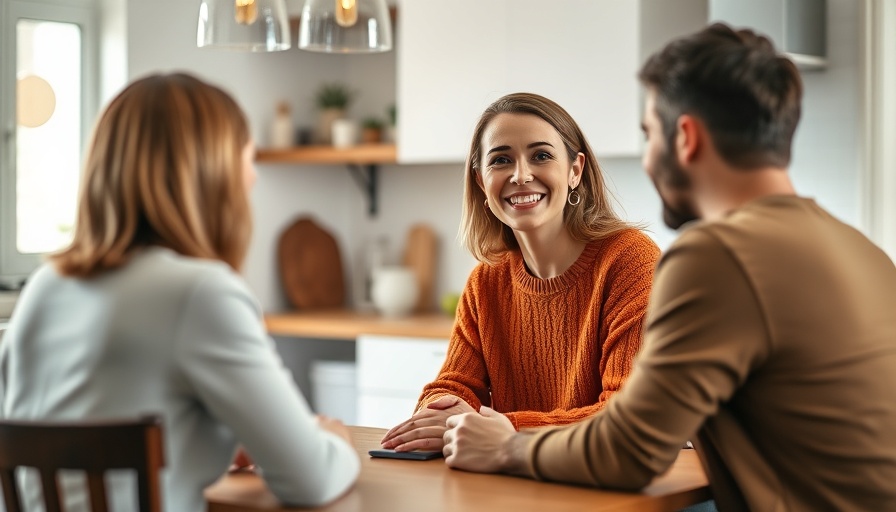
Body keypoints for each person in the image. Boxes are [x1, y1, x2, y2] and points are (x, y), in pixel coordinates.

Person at [440, 23, 896, 511]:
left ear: (686, 137)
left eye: (649, 134)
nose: (648, 159)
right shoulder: (863, 251)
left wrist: (506, 443)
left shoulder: (717, 257)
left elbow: (631, 450)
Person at [0, 73, 360, 511]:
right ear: (213, 175)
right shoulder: (201, 294)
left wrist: (215, 441)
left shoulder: (46, 287)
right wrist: (333, 440)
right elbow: (312, 478)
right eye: (247, 160)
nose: (252, 178)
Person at [381, 93, 660, 452]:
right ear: (482, 182)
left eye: (541, 155)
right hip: (518, 476)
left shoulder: (630, 261)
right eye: (501, 160)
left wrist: (505, 429)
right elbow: (451, 386)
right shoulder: (486, 280)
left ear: (575, 170)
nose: (521, 175)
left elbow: (631, 416)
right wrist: (446, 413)